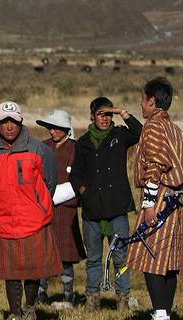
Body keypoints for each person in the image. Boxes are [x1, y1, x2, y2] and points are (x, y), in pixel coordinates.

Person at [0, 100, 60, 320]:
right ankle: (15, 313)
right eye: (4, 122)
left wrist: (37, 204)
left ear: (20, 122)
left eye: (13, 121)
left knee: (34, 271)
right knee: (11, 273)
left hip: (34, 221)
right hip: (6, 222)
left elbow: (50, 182)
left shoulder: (39, 149)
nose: (9, 126)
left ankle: (30, 308)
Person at [69, 95, 143, 309]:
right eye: (101, 114)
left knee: (121, 257)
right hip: (92, 210)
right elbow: (76, 174)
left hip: (117, 208)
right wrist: (84, 192)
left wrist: (124, 113)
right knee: (94, 259)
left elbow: (140, 133)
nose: (105, 118)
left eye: (108, 114)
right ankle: (92, 299)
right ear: (92, 116)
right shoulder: (83, 143)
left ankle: (122, 299)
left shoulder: (119, 135)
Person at [129, 77, 183, 320]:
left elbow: (155, 165)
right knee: (167, 261)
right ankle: (164, 312)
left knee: (151, 257)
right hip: (174, 200)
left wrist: (148, 203)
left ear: (152, 102)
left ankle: (161, 313)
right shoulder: (174, 128)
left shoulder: (153, 126)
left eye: (143, 100)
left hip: (161, 198)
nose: (141, 106)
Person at [35, 109, 83, 308]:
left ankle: (68, 295)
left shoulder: (76, 148)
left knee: (66, 255)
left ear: (65, 129)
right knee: (43, 252)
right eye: (50, 127)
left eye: (56, 127)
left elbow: (80, 177)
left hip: (66, 208)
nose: (52, 131)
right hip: (43, 208)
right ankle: (39, 294)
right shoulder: (42, 147)